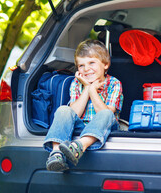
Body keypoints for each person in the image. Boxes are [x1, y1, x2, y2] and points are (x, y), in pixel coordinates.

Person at [43, 39, 123, 172]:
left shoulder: (114, 83)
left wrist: (93, 91)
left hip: (106, 127)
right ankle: (56, 154)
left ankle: (79, 147)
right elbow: (74, 112)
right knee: (64, 110)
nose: (86, 69)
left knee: (106, 113)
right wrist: (86, 88)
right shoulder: (77, 83)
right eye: (81, 66)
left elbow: (105, 112)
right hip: (81, 126)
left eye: (92, 63)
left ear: (105, 65)